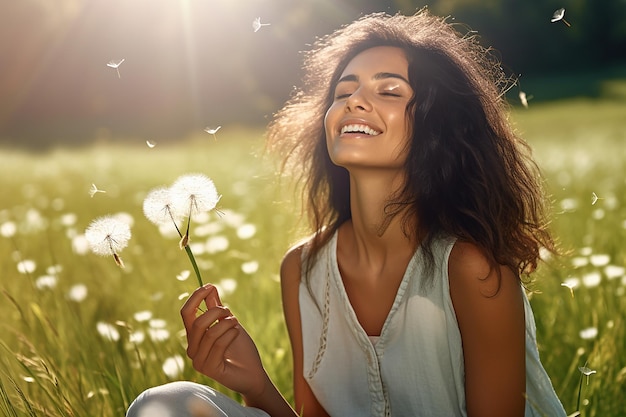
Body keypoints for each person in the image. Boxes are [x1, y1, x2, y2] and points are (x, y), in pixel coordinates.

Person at [126, 9, 567, 417]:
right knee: (168, 405)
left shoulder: (472, 270)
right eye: (344, 90)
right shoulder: (303, 270)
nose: (355, 100)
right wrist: (257, 386)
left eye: (389, 90)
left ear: (437, 125)